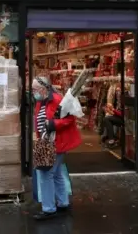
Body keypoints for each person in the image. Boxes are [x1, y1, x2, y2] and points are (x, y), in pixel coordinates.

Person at [32, 76, 82, 221]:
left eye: (35, 89)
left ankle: (48, 209)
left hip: (56, 143)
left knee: (45, 174)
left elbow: (70, 119)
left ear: (43, 88)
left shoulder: (57, 99)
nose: (33, 92)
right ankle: (63, 202)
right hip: (48, 143)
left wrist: (54, 124)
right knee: (57, 173)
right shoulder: (41, 101)